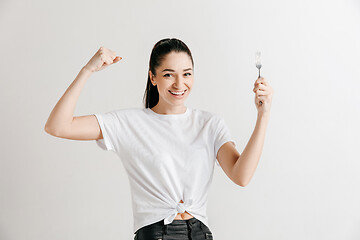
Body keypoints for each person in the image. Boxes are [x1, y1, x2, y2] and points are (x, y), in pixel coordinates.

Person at [44, 38, 274, 240]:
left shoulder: (209, 124)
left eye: (186, 74)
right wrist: (87, 70)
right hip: (155, 234)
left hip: (200, 233)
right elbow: (58, 126)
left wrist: (263, 115)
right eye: (168, 75)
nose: (179, 84)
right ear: (152, 77)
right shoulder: (130, 123)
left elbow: (241, 176)